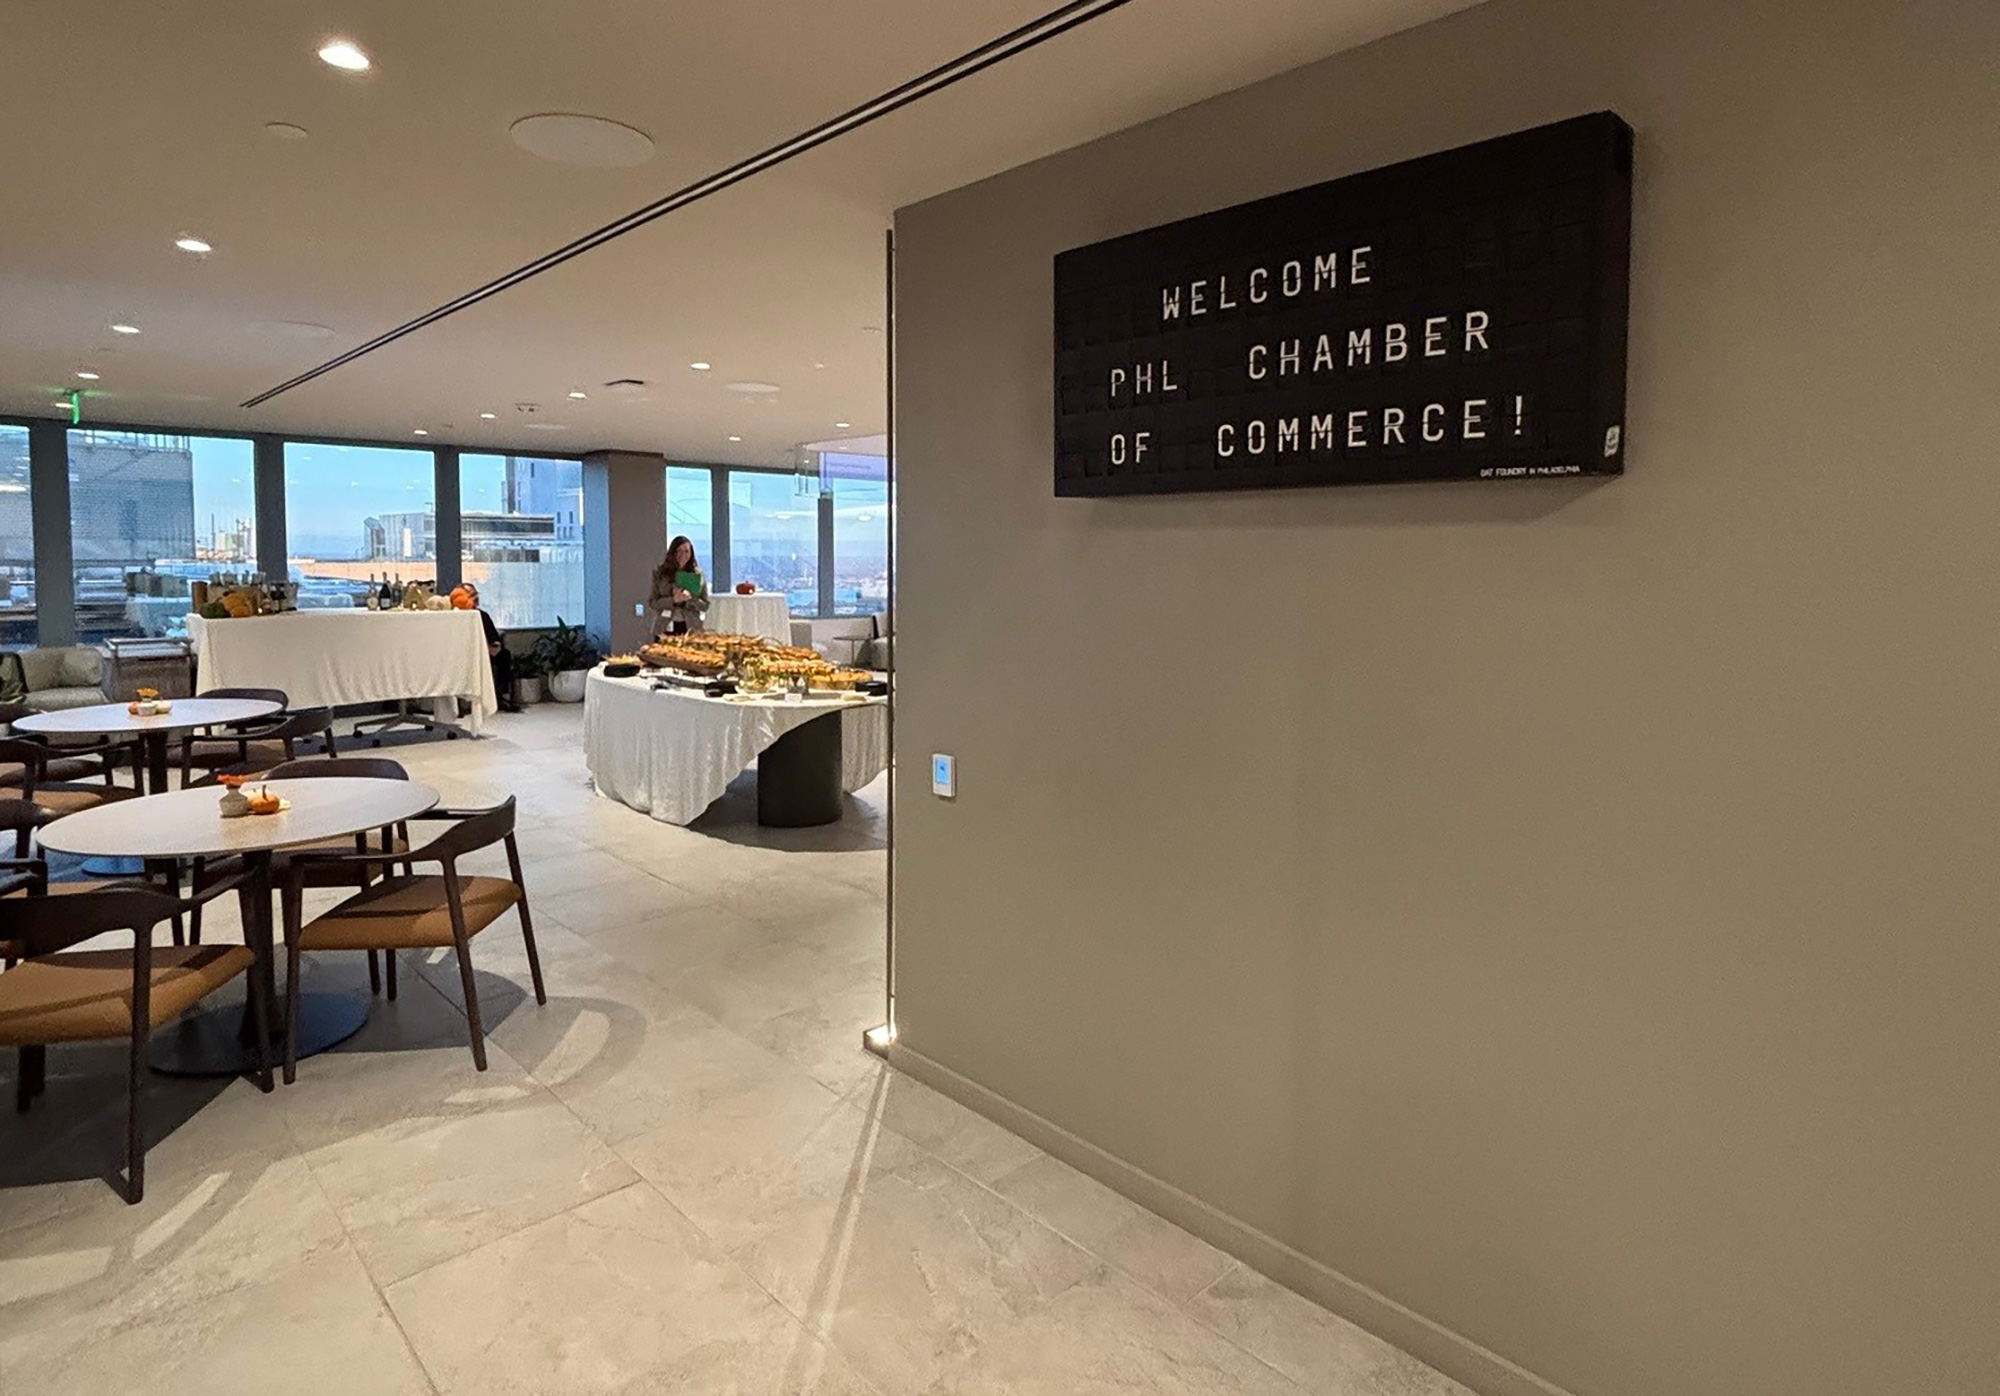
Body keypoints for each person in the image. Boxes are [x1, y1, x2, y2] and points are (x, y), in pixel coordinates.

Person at [463, 582, 519, 713]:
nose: (476, 598)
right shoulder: (455, 617)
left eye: (476, 594)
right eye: (472, 595)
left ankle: (502, 695)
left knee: (504, 656)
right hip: (464, 654)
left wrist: (493, 646)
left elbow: (493, 638)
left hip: (485, 651)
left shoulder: (482, 615)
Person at [649, 535, 710, 635]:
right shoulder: (661, 574)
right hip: (665, 627)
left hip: (691, 628)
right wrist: (674, 600)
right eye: (679, 551)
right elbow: (653, 603)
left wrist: (689, 599)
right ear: (673, 552)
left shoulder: (697, 575)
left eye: (687, 551)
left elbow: (705, 605)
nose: (683, 555)